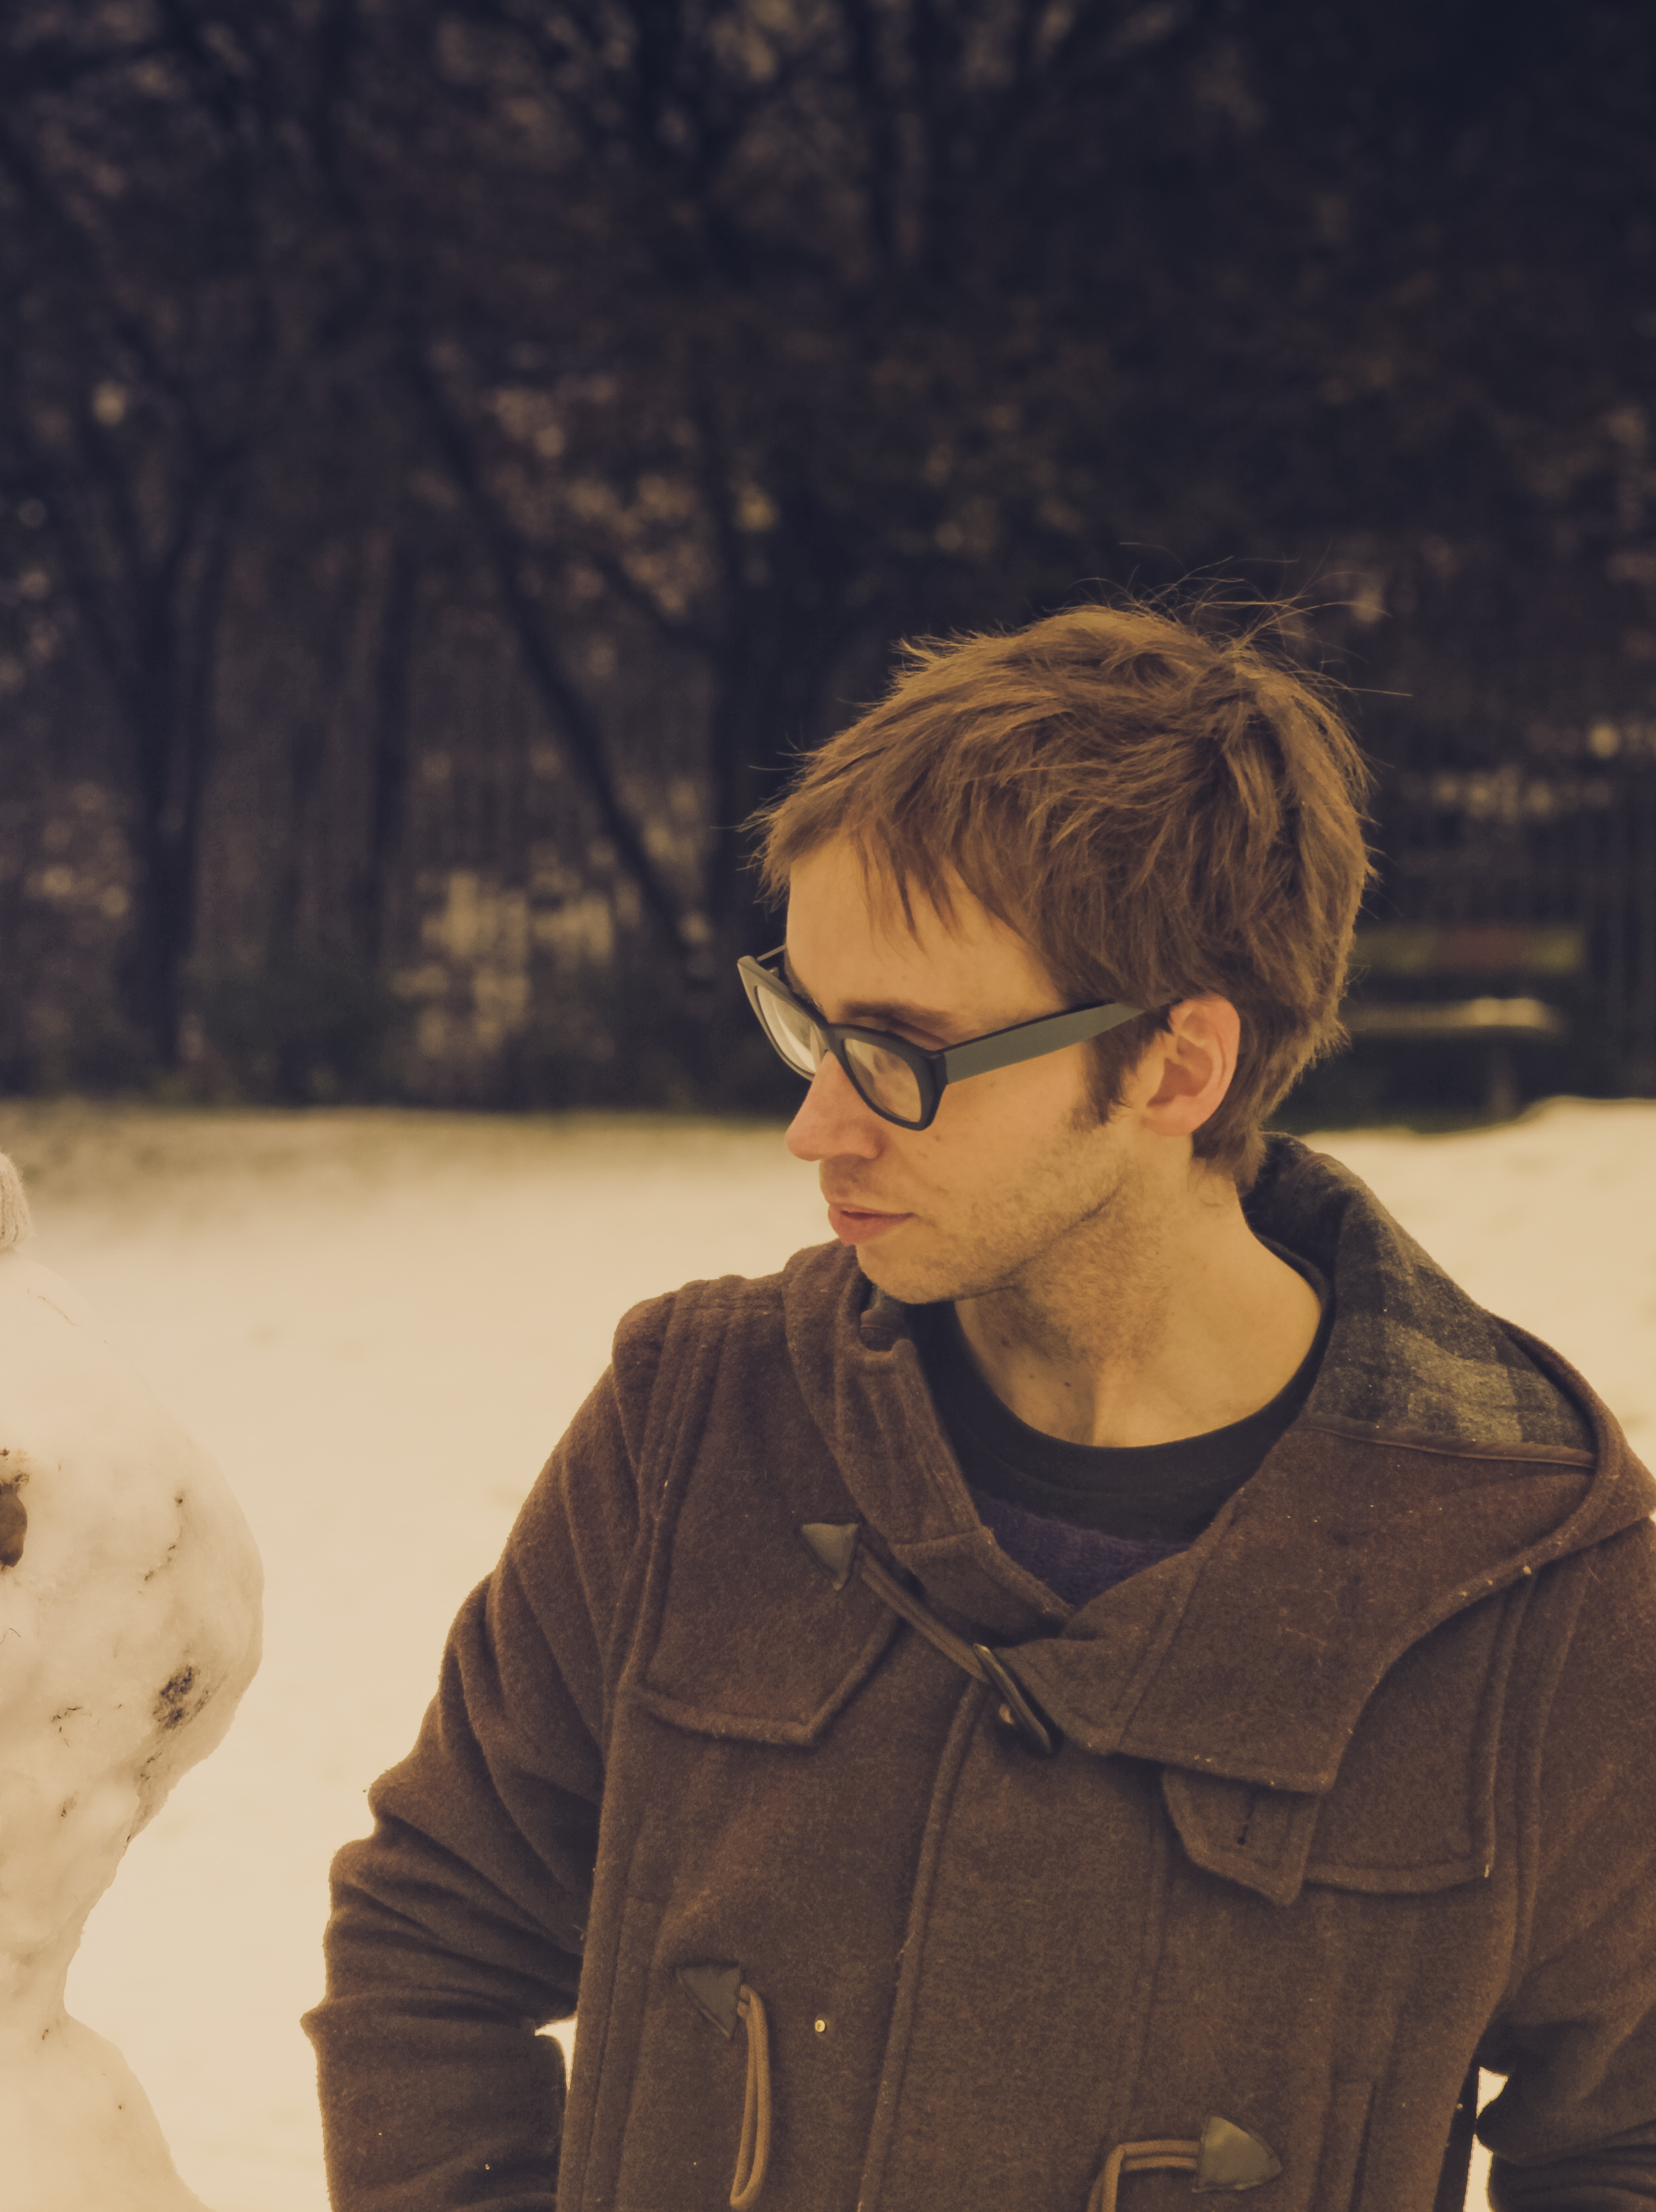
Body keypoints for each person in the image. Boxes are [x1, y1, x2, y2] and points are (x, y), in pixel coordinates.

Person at [309, 604, 1656, 2209]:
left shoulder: (1539, 1584)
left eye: (901, 1050)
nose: (818, 1123)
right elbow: (432, 1943)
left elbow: (1625, 2142)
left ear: (1175, 1070)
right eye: (811, 1024)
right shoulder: (695, 1426)